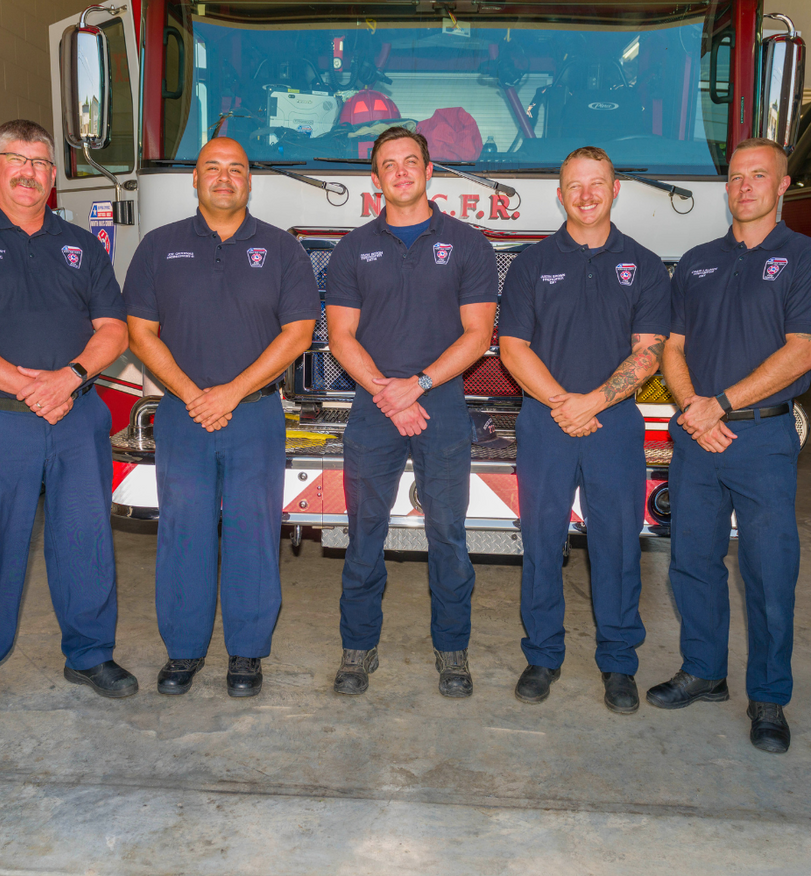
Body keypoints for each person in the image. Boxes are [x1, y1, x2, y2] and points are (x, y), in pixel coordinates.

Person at [0, 119, 135, 738]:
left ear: (54, 176)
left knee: (86, 545)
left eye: (41, 163)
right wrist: (30, 386)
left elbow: (114, 330)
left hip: (78, 420)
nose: (29, 172)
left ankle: (90, 655)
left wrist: (69, 377)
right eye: (15, 159)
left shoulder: (81, 245)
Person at [123, 138, 318, 697]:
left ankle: (246, 654)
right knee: (182, 532)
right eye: (213, 168)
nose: (225, 178)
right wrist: (191, 394)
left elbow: (298, 333)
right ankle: (183, 653)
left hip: (255, 415)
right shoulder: (160, 247)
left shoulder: (283, 251)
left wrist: (231, 393)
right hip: (183, 416)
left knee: (252, 534)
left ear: (250, 182)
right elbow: (140, 332)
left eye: (237, 169)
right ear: (196, 180)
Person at [646, 138, 811, 754]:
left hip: (762, 436)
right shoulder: (696, 260)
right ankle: (704, 671)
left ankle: (768, 696)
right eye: (736, 177)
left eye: (757, 176)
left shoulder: (801, 259)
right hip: (696, 435)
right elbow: (673, 346)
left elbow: (802, 348)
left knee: (770, 570)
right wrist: (694, 408)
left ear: (782, 184)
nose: (745, 187)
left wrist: (724, 403)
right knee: (692, 561)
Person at [325, 126, 497, 698]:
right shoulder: (352, 250)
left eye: (410, 162)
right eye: (388, 165)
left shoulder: (470, 245)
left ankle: (452, 650)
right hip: (374, 407)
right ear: (375, 179)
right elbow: (341, 336)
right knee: (364, 531)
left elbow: (478, 335)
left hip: (442, 402)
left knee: (448, 531)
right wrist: (388, 393)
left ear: (429, 171)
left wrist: (418, 385)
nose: (400, 172)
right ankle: (357, 647)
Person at [499, 146, 670, 713]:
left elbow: (648, 355)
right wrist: (559, 403)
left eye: (597, 184)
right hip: (545, 422)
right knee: (541, 543)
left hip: (615, 424)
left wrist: (593, 401)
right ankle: (542, 655)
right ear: (560, 194)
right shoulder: (529, 263)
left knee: (618, 546)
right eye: (575, 185)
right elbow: (512, 347)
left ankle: (619, 662)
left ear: (615, 189)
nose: (587, 194)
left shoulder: (644, 265)